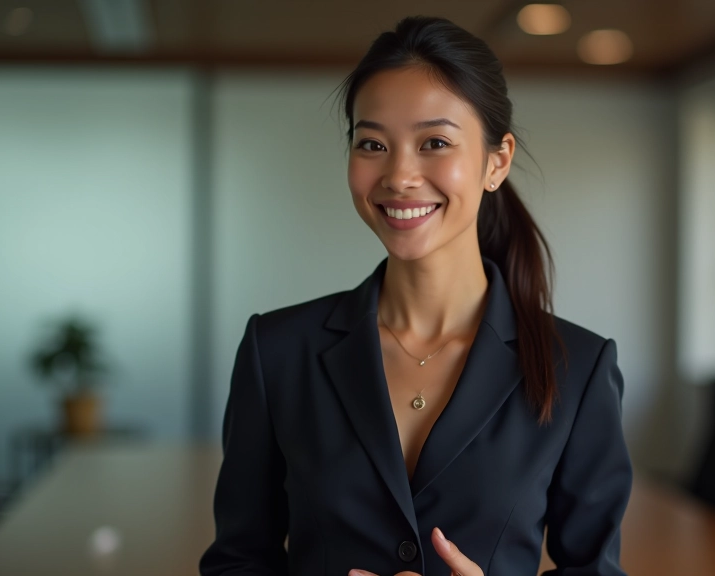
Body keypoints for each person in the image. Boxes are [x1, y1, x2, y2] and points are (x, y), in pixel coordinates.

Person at [199, 15, 632, 576]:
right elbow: (237, 561)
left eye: (435, 142)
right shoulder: (277, 350)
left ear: (496, 162)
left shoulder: (577, 367)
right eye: (373, 143)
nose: (400, 175)